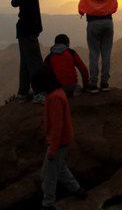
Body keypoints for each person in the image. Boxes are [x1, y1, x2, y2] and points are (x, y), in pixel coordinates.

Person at [32, 66, 87, 210]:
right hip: (62, 140)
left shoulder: (55, 98)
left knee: (49, 175)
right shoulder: (57, 93)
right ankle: (77, 190)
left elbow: (57, 126)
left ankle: (48, 203)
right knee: (60, 168)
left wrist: (53, 148)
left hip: (59, 141)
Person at [11, 0, 47, 102]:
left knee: (26, 63)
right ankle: (38, 93)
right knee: (35, 62)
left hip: (23, 32)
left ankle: (22, 94)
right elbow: (14, 3)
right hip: (28, 32)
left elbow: (14, 3)